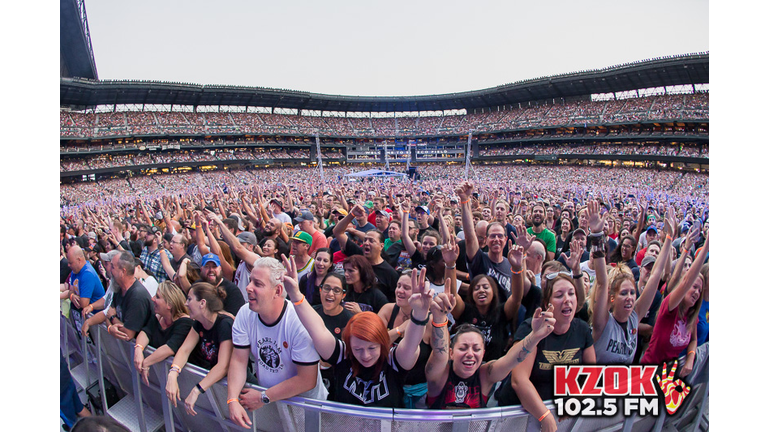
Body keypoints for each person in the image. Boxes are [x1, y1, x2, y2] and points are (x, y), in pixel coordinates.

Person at [283, 256, 433, 407]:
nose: (365, 355)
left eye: (372, 348)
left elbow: (411, 344)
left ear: (382, 343)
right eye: (357, 349)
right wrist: (296, 295)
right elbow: (317, 329)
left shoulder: (394, 361)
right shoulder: (342, 355)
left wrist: (419, 315)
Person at [227, 257, 327, 429]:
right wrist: (232, 399)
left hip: (305, 406)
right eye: (250, 280)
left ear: (277, 290)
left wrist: (262, 397)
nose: (248, 287)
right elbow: (238, 360)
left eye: (257, 284)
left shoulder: (298, 321)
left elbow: (306, 380)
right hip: (272, 401)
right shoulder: (245, 313)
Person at [495, 265, 596, 432]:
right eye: (559, 295)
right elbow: (519, 381)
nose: (567, 299)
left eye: (571, 294)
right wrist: (544, 415)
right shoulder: (531, 329)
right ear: (547, 303)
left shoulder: (583, 329)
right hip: (518, 416)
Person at [425, 294, 555, 409]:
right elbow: (439, 353)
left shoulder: (485, 375)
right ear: (451, 353)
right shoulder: (440, 374)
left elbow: (510, 360)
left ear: (483, 353)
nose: (470, 353)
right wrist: (439, 318)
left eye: (476, 349)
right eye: (463, 348)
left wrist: (535, 336)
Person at [590, 202, 674, 364]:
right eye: (623, 293)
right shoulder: (603, 322)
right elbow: (602, 282)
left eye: (632, 292)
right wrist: (597, 234)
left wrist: (669, 238)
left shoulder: (634, 318)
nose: (630, 297)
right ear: (612, 298)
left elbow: (656, 274)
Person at [641, 234, 709, 371]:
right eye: (694, 287)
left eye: (699, 290)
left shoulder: (691, 314)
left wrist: (690, 359)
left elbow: (694, 340)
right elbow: (685, 281)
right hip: (649, 371)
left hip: (669, 375)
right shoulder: (670, 306)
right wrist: (707, 245)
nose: (696, 292)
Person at [449, 239, 524, 362]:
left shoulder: (501, 312)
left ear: (493, 292)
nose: (481, 291)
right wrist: (450, 264)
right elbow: (452, 295)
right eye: (476, 288)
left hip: (493, 370)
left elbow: (516, 298)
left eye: (485, 287)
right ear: (471, 293)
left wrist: (516, 268)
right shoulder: (465, 310)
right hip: (466, 369)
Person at [166, 282, 234, 416]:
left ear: (202, 303)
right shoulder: (199, 323)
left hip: (234, 387)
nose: (186, 304)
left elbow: (223, 366)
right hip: (216, 386)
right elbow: (185, 350)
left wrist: (197, 390)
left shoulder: (224, 324)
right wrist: (173, 374)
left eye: (189, 299)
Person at [81, 250, 152, 341]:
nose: (110, 270)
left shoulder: (137, 296)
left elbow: (128, 334)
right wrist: (110, 326)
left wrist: (112, 319)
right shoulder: (119, 288)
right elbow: (107, 313)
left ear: (123, 272)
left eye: (113, 267)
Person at [133, 281, 193, 384]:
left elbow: (169, 348)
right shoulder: (157, 317)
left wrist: (146, 362)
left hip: (182, 381)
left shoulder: (185, 323)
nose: (153, 299)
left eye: (157, 297)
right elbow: (145, 333)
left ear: (169, 304)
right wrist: (138, 349)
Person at [198, 253, 246, 317]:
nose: (211, 270)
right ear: (201, 269)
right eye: (207, 266)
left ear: (220, 269)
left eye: (214, 266)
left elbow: (236, 318)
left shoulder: (232, 290)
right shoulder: (197, 286)